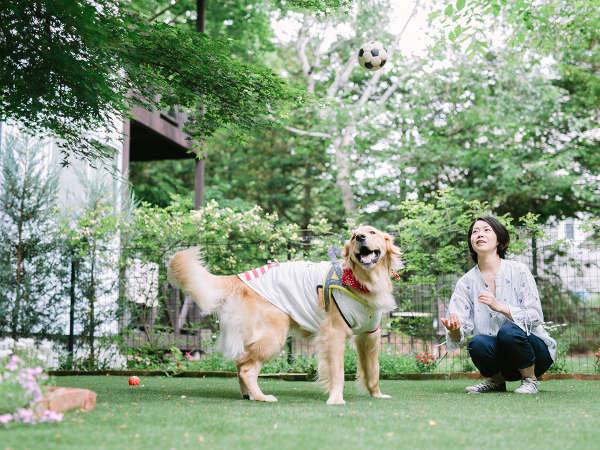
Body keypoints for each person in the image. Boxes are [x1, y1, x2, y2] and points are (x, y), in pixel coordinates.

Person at [440, 216, 557, 394]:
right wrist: (455, 330)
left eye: (486, 230)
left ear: (499, 240)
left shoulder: (519, 271)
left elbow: (535, 317)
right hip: (500, 360)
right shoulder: (466, 282)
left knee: (509, 331)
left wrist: (501, 307)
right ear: (471, 242)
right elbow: (459, 327)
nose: (479, 234)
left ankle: (530, 380)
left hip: (535, 354)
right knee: (477, 342)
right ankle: (496, 381)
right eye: (475, 231)